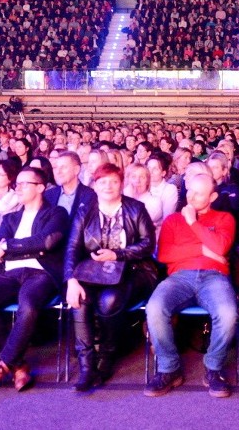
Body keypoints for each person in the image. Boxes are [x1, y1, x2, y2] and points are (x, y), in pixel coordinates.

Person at [0, 167, 70, 395]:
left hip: (41, 273)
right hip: (11, 273)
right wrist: (20, 248)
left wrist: (10, 247)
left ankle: (1, 368)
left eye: (25, 183)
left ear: (41, 188)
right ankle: (18, 364)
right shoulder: (10, 217)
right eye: (18, 184)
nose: (19, 188)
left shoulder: (56, 214)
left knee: (29, 305)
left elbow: (48, 242)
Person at [65, 163, 158, 392]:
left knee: (109, 301)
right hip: (93, 272)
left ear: (122, 184)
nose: (108, 186)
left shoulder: (136, 208)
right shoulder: (84, 210)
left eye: (114, 181)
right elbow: (72, 248)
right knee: (80, 299)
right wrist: (71, 280)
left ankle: (107, 355)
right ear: (95, 185)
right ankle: (87, 366)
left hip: (133, 269)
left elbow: (148, 244)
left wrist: (117, 254)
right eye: (102, 181)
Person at [144, 173, 237, 398]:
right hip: (180, 277)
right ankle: (169, 368)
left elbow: (221, 248)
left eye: (199, 193)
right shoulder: (172, 220)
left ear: (213, 196)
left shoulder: (225, 218)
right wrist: (204, 250)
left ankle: (214, 368)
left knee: (227, 313)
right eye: (190, 191)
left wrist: (192, 222)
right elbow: (165, 254)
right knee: (154, 308)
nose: (192, 197)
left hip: (214, 277)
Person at [45, 151, 96, 222]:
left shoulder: (90, 196)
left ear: (76, 170)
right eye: (56, 168)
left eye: (63, 167)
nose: (58, 172)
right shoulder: (48, 195)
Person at [123, 163, 164, 233]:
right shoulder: (119, 199)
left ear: (147, 181)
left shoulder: (155, 202)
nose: (137, 181)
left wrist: (129, 199)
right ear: (128, 179)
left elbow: (134, 224)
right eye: (133, 177)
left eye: (142, 177)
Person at [146, 152, 178, 220]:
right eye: (148, 168)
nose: (150, 171)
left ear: (163, 173)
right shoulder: (142, 186)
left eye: (155, 169)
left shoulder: (170, 189)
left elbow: (167, 218)